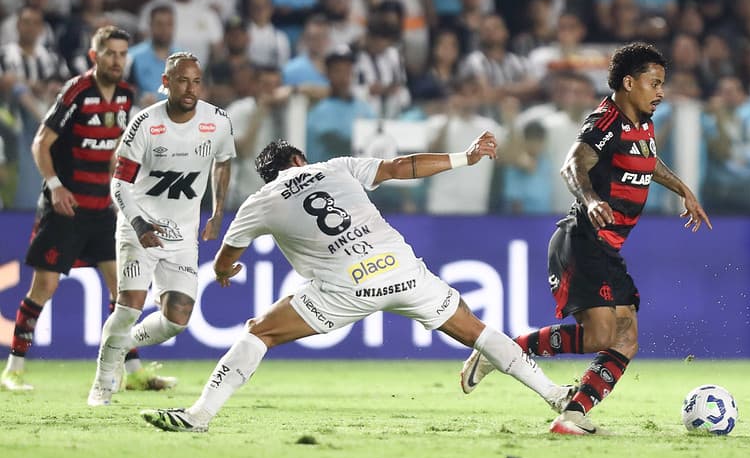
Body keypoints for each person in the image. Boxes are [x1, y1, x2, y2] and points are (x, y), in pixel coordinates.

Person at [139, 134, 576, 432]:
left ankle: (200, 415)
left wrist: (222, 272)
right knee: (476, 330)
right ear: (299, 160)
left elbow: (226, 256)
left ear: (270, 174)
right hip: (401, 272)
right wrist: (466, 157)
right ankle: (556, 395)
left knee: (260, 332)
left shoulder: (261, 200)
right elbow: (401, 167)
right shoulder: (336, 168)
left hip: (344, 289)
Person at [459, 42, 712, 435]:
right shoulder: (605, 122)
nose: (661, 92)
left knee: (626, 340)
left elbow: (647, 160)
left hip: (607, 249)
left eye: (662, 83)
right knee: (601, 336)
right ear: (629, 83)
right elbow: (572, 165)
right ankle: (502, 350)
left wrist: (683, 189)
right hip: (582, 242)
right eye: (654, 83)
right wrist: (592, 199)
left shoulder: (642, 122)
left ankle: (572, 416)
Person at [0, 26, 170, 392]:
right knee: (43, 287)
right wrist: (55, 186)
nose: (117, 61)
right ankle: (13, 370)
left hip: (102, 210)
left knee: (122, 290)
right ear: (95, 56)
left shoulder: (125, 96)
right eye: (110, 53)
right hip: (66, 208)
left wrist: (120, 193)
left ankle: (134, 372)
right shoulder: (77, 91)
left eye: (122, 54)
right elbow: (40, 143)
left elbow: (114, 153)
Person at [87, 51, 236, 406]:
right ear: (166, 82)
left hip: (183, 233)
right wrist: (139, 225)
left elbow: (223, 162)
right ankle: (102, 384)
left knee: (178, 319)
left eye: (196, 81)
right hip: (139, 226)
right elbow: (119, 184)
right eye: (182, 81)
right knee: (129, 308)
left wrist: (217, 212)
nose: (190, 89)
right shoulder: (145, 124)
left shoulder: (217, 121)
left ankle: (119, 345)